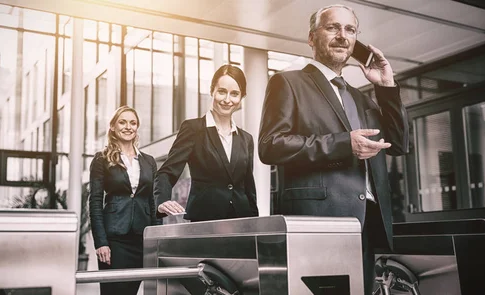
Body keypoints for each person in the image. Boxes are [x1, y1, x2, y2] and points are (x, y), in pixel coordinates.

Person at [257, 4, 409, 294]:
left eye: (350, 29)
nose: (342, 35)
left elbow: (399, 144)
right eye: (333, 28)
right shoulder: (287, 82)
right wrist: (343, 144)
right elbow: (270, 146)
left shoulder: (360, 98)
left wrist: (387, 86)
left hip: (364, 227)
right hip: (318, 224)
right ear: (312, 38)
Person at [154, 64, 259, 222]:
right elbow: (166, 173)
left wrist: (254, 222)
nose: (227, 100)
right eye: (222, 92)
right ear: (212, 91)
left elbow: (248, 187)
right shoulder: (193, 129)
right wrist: (162, 200)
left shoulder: (246, 138)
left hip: (241, 221)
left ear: (242, 97)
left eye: (234, 94)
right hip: (205, 220)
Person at [89, 105, 160, 295]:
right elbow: (95, 202)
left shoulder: (149, 161)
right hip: (114, 240)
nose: (128, 127)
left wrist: (157, 237)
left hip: (142, 238)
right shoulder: (101, 159)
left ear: (137, 127)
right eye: (122, 122)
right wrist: (101, 242)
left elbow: (153, 201)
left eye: (133, 123)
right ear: (112, 126)